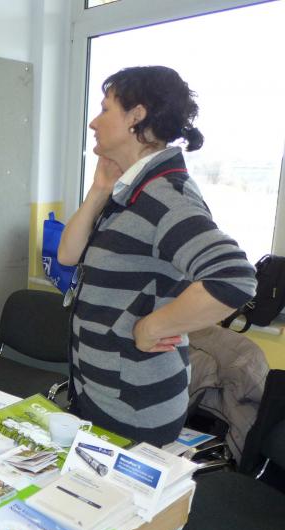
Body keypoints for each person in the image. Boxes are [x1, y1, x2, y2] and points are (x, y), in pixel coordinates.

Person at [58, 66, 257, 446]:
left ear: (136, 115)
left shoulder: (164, 194)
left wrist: (151, 327)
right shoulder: (130, 192)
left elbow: (233, 278)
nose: (94, 123)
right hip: (99, 390)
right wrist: (99, 190)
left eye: (105, 109)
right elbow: (68, 255)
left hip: (134, 404)